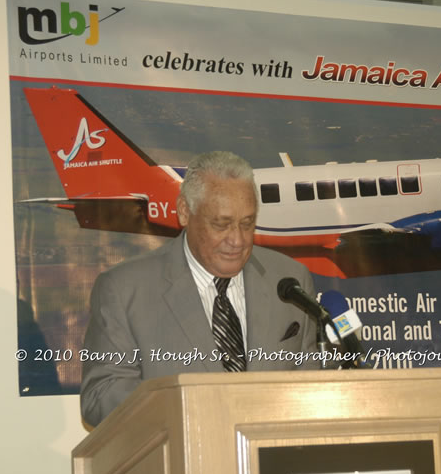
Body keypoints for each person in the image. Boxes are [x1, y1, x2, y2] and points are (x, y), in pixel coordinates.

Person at [80, 151, 319, 426]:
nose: (238, 240)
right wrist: (193, 409)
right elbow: (100, 396)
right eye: (221, 224)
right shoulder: (124, 289)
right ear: (184, 211)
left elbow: (309, 376)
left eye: (247, 223)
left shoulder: (289, 279)